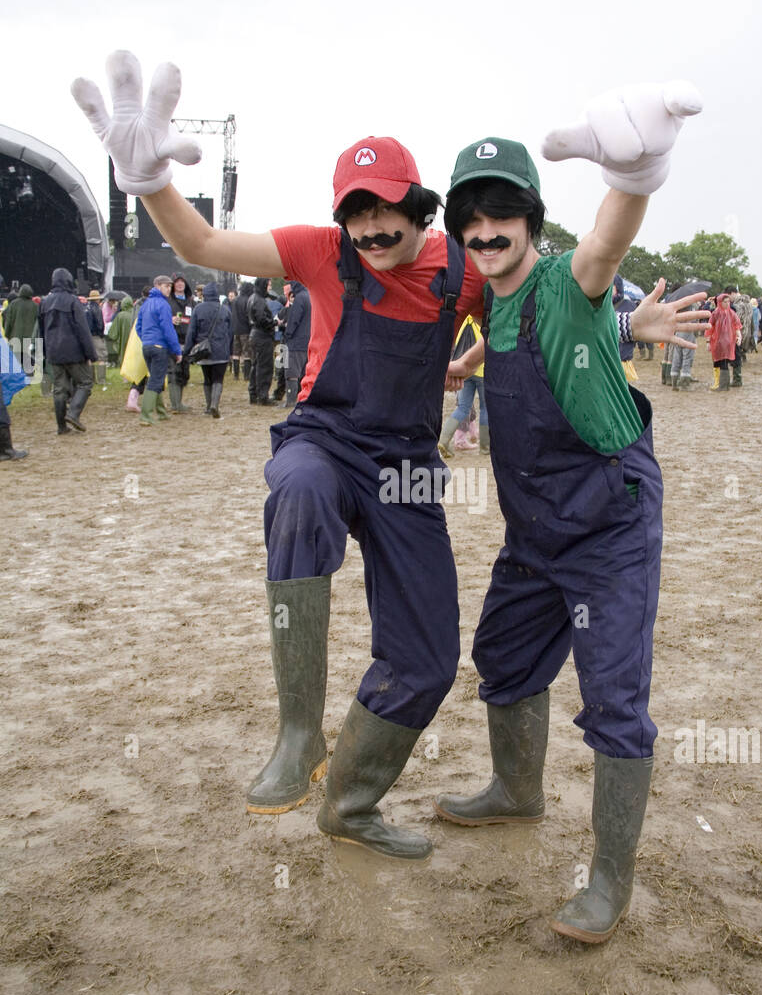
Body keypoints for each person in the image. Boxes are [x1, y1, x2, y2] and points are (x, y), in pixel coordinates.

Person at [71, 51, 484, 860]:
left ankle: (352, 805)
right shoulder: (318, 251)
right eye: (354, 211)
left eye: (385, 210)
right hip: (324, 440)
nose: (370, 228)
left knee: (431, 658)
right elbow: (198, 241)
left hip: (404, 466)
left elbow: (535, 317)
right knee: (295, 488)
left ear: (420, 208)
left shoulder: (465, 273)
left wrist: (464, 366)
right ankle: (299, 736)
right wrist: (146, 177)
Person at [436, 80, 707, 944]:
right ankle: (517, 792)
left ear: (531, 219)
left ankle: (609, 884)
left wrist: (636, 172)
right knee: (504, 658)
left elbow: (601, 252)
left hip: (609, 524)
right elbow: (523, 341)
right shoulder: (495, 298)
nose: (486, 232)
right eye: (471, 219)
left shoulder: (562, 278)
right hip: (534, 531)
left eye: (503, 214)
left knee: (614, 701)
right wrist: (463, 365)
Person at [38, 268, 98, 434]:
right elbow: (83, 330)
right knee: (85, 383)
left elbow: (41, 331)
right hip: (74, 352)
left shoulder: (44, 302)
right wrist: (91, 355)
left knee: (59, 389)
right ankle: (73, 414)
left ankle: (61, 427)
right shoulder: (73, 301)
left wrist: (44, 353)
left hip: (54, 353)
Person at [135, 274, 183, 425]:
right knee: (156, 380)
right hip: (159, 347)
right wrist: (176, 350)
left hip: (147, 346)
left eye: (170, 286)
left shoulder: (146, 304)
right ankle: (145, 416)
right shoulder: (163, 305)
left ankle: (162, 412)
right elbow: (168, 329)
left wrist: (147, 339)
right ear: (157, 286)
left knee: (155, 378)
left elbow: (138, 327)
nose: (169, 289)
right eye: (166, 286)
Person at [439, 310, 488, 454]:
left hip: (462, 370)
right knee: (485, 408)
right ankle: (485, 447)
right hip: (482, 369)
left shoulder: (463, 319)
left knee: (462, 407)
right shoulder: (482, 319)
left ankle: (443, 440)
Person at [184, 280, 233, 417]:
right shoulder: (225, 309)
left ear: (204, 294)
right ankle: (214, 405)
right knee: (218, 379)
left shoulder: (198, 309)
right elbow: (230, 332)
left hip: (204, 351)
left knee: (207, 379)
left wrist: (187, 351)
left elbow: (192, 332)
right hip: (221, 351)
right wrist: (230, 351)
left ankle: (208, 406)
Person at [280, 280, 312, 407]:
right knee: (303, 373)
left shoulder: (299, 299)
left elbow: (294, 320)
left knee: (291, 374)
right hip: (307, 341)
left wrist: (287, 334)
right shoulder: (310, 296)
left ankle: (290, 401)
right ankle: (303, 399)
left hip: (295, 343)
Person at [247, 276, 277, 404]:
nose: (268, 288)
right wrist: (273, 322)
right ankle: (263, 396)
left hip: (255, 334)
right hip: (262, 336)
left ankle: (254, 394)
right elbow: (261, 318)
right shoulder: (259, 300)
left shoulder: (253, 298)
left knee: (256, 365)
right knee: (264, 366)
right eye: (268, 285)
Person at [167, 275, 193, 411]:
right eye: (177, 282)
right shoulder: (168, 301)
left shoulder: (190, 301)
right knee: (173, 373)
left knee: (184, 373)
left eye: (182, 282)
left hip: (187, 342)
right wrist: (170, 319)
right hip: (173, 341)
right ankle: (175, 404)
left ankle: (180, 402)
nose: (180, 284)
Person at [706, 289, 741, 390]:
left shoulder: (731, 313)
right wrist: (708, 341)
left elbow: (737, 326)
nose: (727, 304)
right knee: (717, 361)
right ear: (720, 302)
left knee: (725, 362)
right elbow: (710, 327)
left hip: (728, 342)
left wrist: (739, 337)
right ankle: (717, 383)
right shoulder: (716, 313)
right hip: (717, 342)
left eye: (728, 302)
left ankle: (724, 384)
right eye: (725, 302)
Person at [1, 283, 37, 374]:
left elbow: (9, 321)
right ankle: (29, 375)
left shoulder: (14, 304)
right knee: (28, 357)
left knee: (15, 359)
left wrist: (7, 334)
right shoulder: (35, 306)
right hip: (30, 337)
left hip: (15, 336)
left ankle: (17, 377)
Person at [231, 281, 254, 381]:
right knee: (246, 353)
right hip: (245, 330)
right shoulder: (248, 300)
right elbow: (249, 316)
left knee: (236, 353)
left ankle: (236, 375)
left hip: (235, 330)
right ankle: (247, 375)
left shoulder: (235, 300)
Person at [106, 294, 134, 370]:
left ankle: (125, 376)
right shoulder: (136, 313)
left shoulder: (120, 315)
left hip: (123, 342)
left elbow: (112, 333)